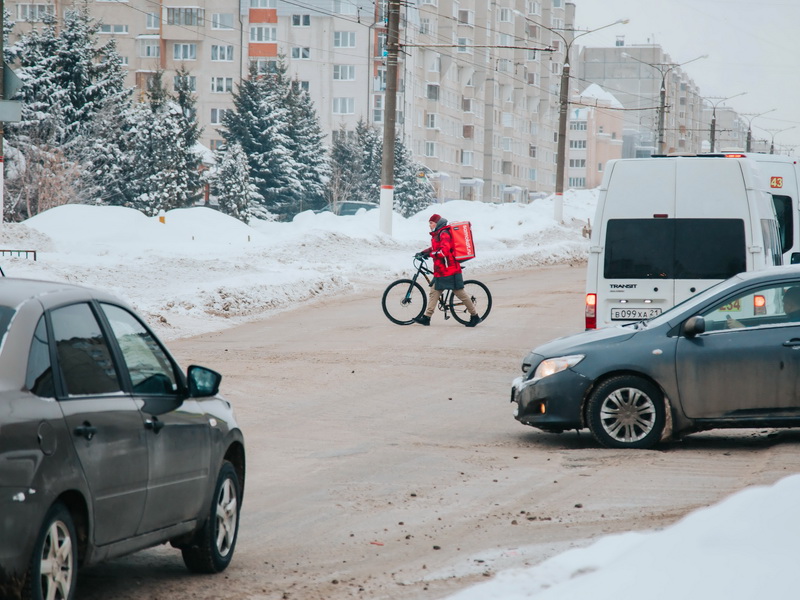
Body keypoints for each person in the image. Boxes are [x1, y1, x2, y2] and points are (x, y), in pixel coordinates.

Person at [413, 214, 481, 327]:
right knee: (434, 291)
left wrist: (431, 254)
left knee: (460, 293)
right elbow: (435, 248)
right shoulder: (438, 234)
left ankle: (475, 316)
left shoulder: (444, 233)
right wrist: (423, 253)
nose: (429, 225)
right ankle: (427, 317)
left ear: (437, 223)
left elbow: (444, 251)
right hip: (441, 270)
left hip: (450, 270)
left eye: (431, 223)